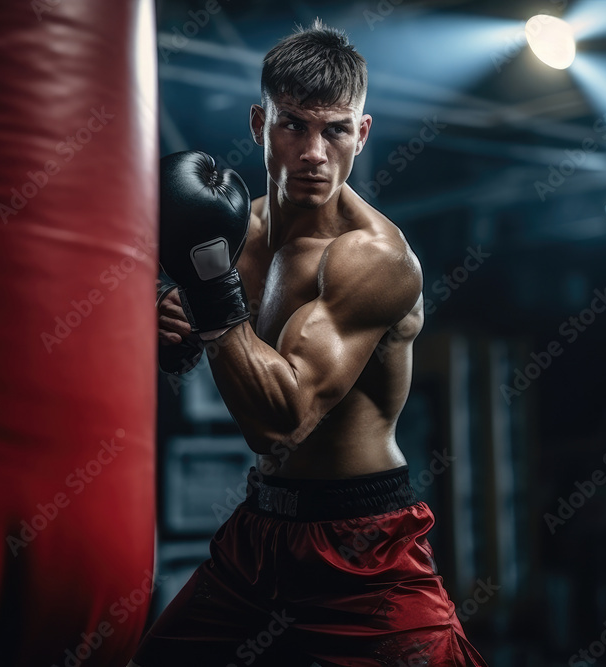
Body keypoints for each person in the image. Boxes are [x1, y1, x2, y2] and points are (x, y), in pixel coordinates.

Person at [131, 19, 487, 667]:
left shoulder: (373, 259)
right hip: (259, 535)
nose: (314, 151)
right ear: (259, 125)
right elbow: (198, 351)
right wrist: (165, 325)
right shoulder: (234, 231)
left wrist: (209, 297)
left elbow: (281, 421)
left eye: (335, 129)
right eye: (293, 123)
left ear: (363, 133)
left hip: (363, 547)